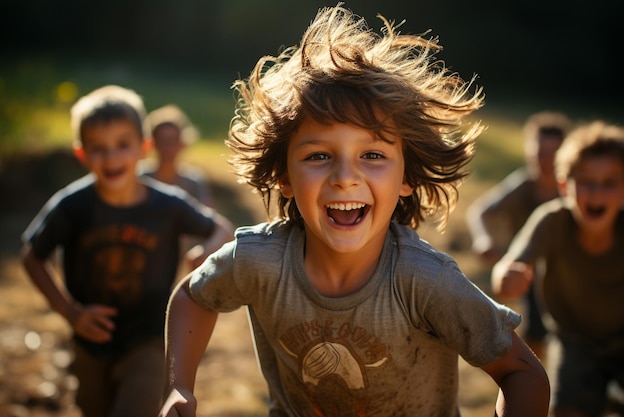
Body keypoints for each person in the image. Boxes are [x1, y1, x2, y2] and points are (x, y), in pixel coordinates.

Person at [159, 6, 549, 417]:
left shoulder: (424, 281)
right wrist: (178, 386)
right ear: (284, 176)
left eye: (373, 154)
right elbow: (193, 295)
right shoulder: (259, 261)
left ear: (406, 176)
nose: (345, 177)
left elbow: (522, 372)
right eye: (320, 155)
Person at [20, 85, 234, 417]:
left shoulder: (167, 204)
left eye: (122, 145)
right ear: (81, 154)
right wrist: (70, 312)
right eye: (98, 148)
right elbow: (32, 255)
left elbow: (222, 227)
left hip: (150, 336)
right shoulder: (72, 205)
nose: (111, 157)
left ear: (143, 147)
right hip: (90, 339)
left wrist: (203, 251)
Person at [492, 121, 624, 417]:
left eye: (609, 182)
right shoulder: (552, 221)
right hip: (574, 343)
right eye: (586, 181)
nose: (596, 192)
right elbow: (510, 265)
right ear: (564, 185)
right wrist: (508, 278)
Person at [466, 111, 571, 359]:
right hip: (531, 273)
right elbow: (480, 211)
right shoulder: (522, 186)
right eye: (538, 154)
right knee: (536, 330)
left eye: (551, 155)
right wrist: (484, 239)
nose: (543, 161)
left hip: (569, 270)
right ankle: (537, 378)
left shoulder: (573, 190)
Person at [141, 104, 214, 207]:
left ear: (182, 143)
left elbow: (206, 216)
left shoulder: (194, 181)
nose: (167, 148)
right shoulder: (141, 178)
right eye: (162, 141)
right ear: (153, 143)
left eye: (173, 141)